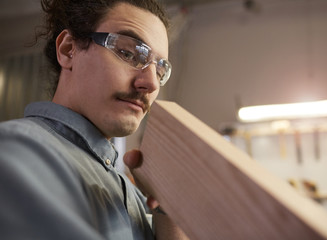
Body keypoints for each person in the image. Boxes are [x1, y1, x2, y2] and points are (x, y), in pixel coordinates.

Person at [0, 0, 188, 239]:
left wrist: (169, 210)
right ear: (69, 50)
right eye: (128, 53)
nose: (151, 83)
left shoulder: (132, 192)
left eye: (160, 70)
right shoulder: (15, 151)